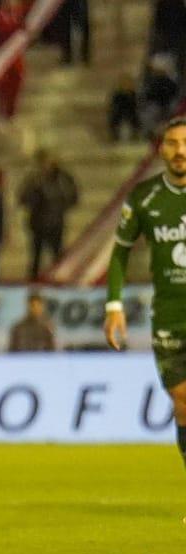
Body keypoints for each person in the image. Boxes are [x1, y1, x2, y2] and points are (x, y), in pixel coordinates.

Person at [105, 116, 186, 471]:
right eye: (172, 143)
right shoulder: (144, 197)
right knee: (182, 402)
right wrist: (114, 305)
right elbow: (121, 251)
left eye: (185, 143)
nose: (180, 151)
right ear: (161, 148)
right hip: (169, 313)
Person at [20, 150, 79, 280]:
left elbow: (72, 197)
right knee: (36, 256)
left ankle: (58, 281)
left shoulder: (63, 178)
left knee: (57, 255)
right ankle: (33, 282)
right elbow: (23, 198)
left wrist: (58, 205)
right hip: (38, 222)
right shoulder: (33, 179)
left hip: (56, 222)